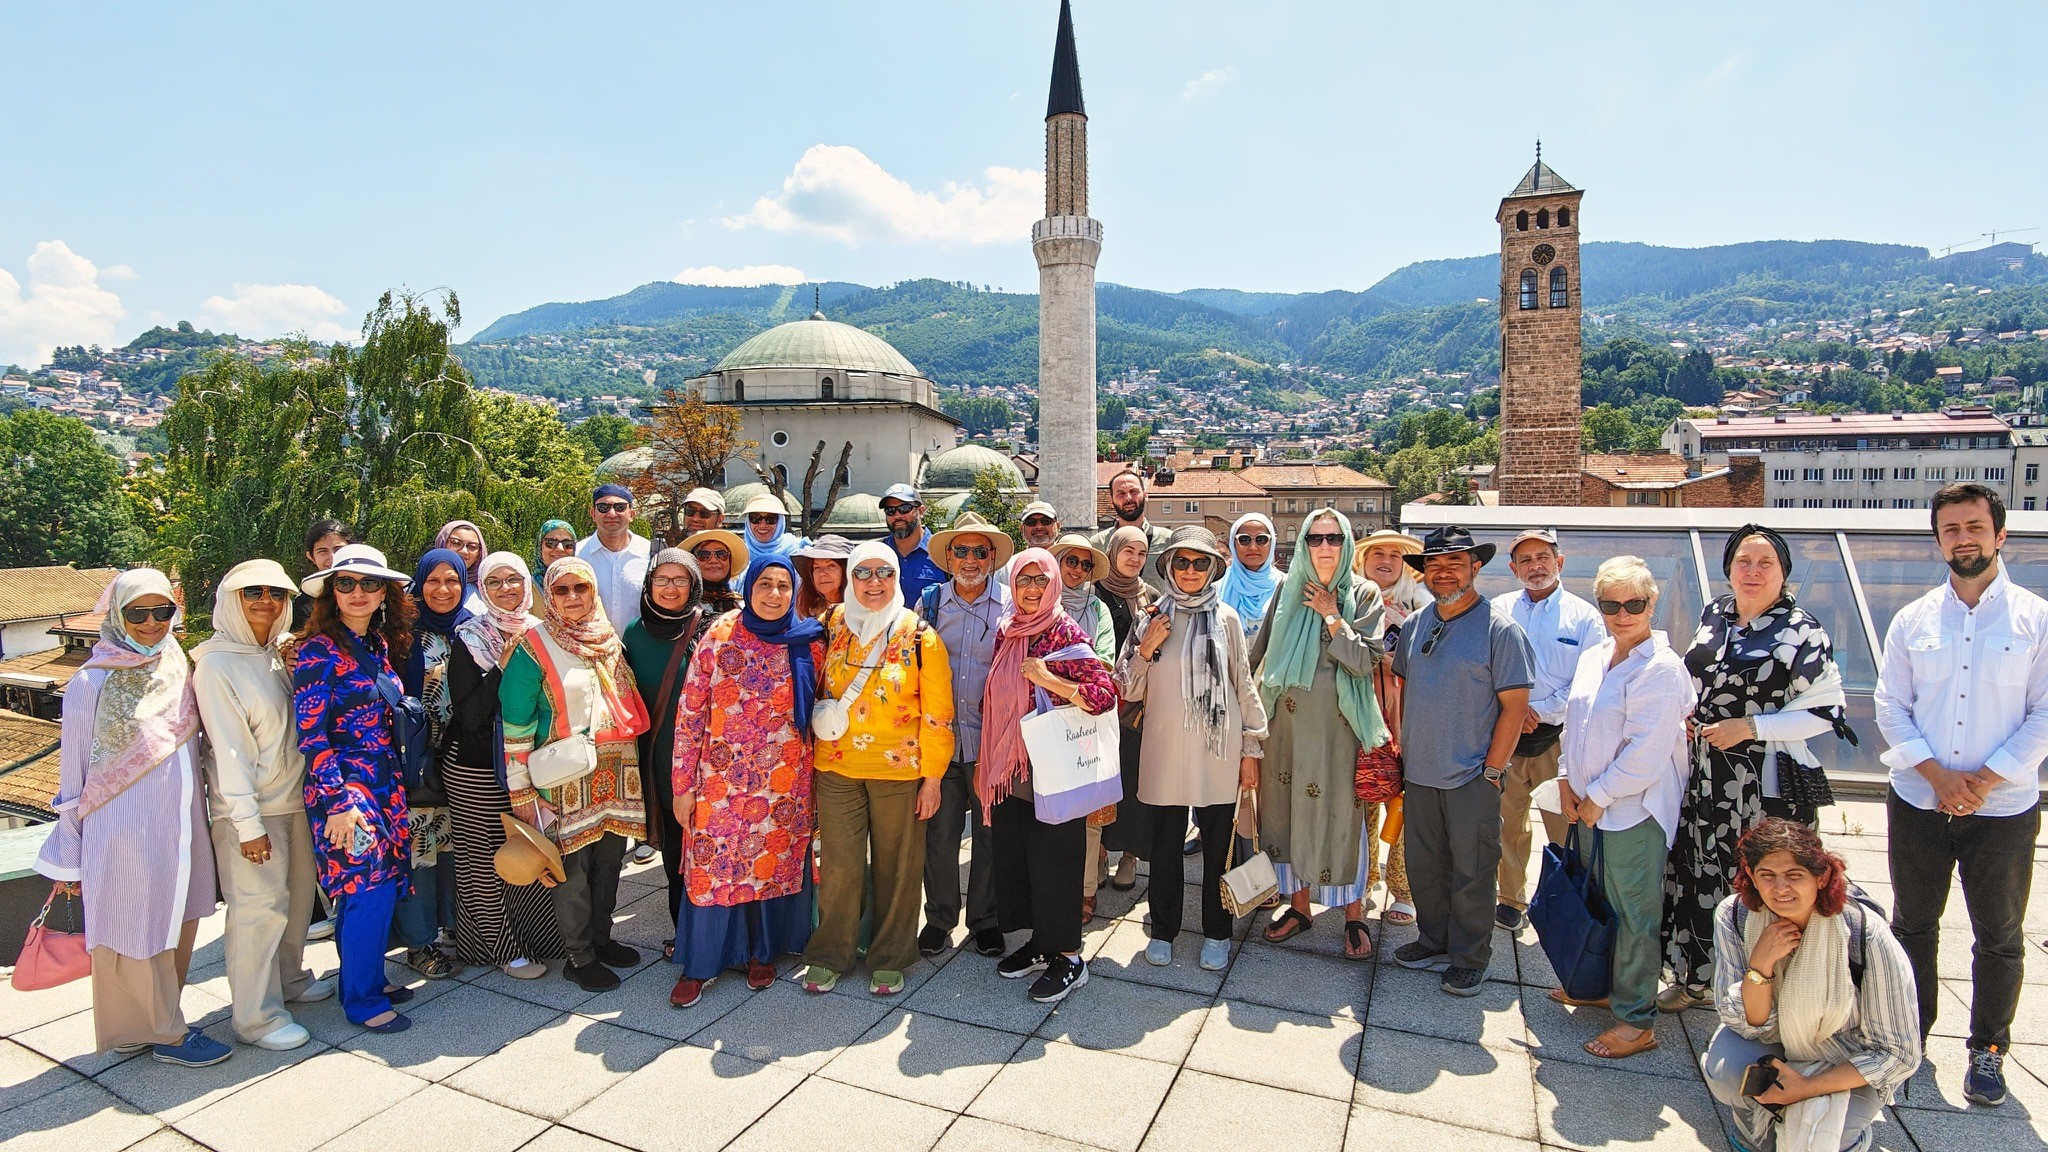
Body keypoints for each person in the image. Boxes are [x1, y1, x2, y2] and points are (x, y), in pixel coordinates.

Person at [1873, 482, 2046, 1107]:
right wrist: (1939, 778)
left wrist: (1984, 780)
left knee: (1998, 932)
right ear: (1938, 540)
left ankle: (1988, 1050)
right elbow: (1890, 706)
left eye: (1974, 526)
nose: (1963, 538)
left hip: (2002, 808)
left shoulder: (2036, 619)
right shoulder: (1913, 618)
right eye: (1951, 529)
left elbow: (2045, 713)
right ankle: (1908, 1041)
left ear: (2000, 535)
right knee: (1913, 925)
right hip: (1920, 801)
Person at [35, 569, 229, 1066]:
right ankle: (165, 1033)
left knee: (176, 919)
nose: (150, 623)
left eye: (161, 611)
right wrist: (71, 850)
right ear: (117, 617)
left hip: (182, 826)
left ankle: (142, 1023)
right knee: (133, 924)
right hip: (122, 831)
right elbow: (73, 773)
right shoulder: (90, 681)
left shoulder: (175, 663)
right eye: (136, 613)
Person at [1663, 525, 1855, 1012]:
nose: (1752, 572)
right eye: (1742, 562)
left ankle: (1766, 986)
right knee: (1699, 869)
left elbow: (1825, 712)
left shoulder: (1802, 630)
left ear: (1783, 572)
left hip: (1765, 781)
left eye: (1764, 563)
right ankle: (1697, 978)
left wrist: (1751, 727)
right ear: (1728, 568)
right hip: (1707, 774)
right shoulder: (1714, 614)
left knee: (1763, 877)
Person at [1551, 556, 1696, 1060]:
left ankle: (1637, 1020)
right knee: (1599, 903)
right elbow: (1575, 724)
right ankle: (1596, 986)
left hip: (1633, 812)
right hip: (1590, 804)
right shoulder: (1596, 655)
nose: (1622, 613)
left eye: (1633, 603)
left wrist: (1598, 798)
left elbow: (1647, 752)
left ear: (1651, 603)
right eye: (1610, 604)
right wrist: (1568, 779)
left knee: (1635, 915)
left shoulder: (1661, 668)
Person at [1702, 819, 1920, 1152]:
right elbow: (1746, 1024)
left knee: (1821, 1140)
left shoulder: (1864, 932)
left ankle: (1852, 1134)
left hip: (1845, 1058)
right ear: (1752, 879)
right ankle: (1755, 1130)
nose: (1781, 889)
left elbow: (1899, 1053)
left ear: (1820, 877)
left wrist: (1804, 1087)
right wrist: (1760, 965)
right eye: (1767, 876)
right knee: (1727, 1067)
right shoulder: (1736, 916)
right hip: (1776, 1043)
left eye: (1794, 876)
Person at [668, 554, 823, 1007]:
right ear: (749, 586)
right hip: (721, 783)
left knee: (769, 866)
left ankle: (762, 952)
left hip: (784, 783)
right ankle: (701, 963)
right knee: (713, 868)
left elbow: (822, 714)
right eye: (765, 585)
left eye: (783, 586)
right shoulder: (718, 637)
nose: (774, 595)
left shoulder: (809, 640)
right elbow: (690, 714)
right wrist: (683, 785)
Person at [800, 541, 954, 996]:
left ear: (896, 579)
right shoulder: (831, 624)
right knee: (840, 868)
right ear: (850, 579)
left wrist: (932, 779)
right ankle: (831, 953)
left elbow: (938, 715)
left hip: (901, 772)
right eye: (863, 573)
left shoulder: (920, 635)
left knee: (899, 868)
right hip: (837, 768)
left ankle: (890, 955)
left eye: (883, 573)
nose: (873, 582)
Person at [1388, 525, 1533, 996]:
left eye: (1455, 563)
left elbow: (1515, 707)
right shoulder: (1416, 624)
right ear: (1424, 573)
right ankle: (1433, 939)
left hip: (1473, 773)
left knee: (1473, 869)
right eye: (1434, 564)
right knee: (1425, 865)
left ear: (1475, 568)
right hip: (1421, 772)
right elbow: (1407, 687)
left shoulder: (1499, 629)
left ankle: (1470, 956)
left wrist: (1492, 770)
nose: (1444, 573)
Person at [1117, 527, 1268, 972]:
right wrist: (1145, 648)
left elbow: (1243, 683)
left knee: (1218, 843)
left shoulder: (1227, 620)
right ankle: (1163, 928)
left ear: (1212, 568)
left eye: (1199, 562)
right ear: (1166, 567)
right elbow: (1125, 686)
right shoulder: (1150, 617)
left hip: (1218, 750)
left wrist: (1251, 750)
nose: (1189, 571)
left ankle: (1217, 930)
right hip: (1165, 748)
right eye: (1180, 562)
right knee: (1165, 847)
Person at [196, 560, 331, 1053]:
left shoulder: (276, 654)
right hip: (250, 812)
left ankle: (290, 981)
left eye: (276, 593)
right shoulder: (215, 664)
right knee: (257, 912)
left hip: (296, 800)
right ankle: (255, 1018)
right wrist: (247, 823)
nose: (265, 601)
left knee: (296, 903)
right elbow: (228, 750)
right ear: (230, 598)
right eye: (252, 592)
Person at [501, 556, 652, 992]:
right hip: (563, 779)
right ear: (549, 595)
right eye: (562, 590)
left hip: (614, 771)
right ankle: (578, 954)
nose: (572, 598)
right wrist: (522, 793)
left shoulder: (608, 639)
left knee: (609, 861)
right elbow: (515, 725)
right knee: (573, 869)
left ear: (593, 592)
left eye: (580, 588)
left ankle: (602, 939)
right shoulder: (534, 645)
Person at [977, 548, 1119, 1003]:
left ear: (1055, 584)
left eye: (1042, 580)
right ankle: (1040, 943)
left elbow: (1103, 695)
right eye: (1024, 581)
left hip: (1054, 769)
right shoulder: (1009, 629)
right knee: (1022, 858)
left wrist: (1049, 679)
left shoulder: (1064, 630)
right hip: (1014, 768)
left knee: (1056, 862)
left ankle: (1070, 956)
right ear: (1012, 585)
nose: (1033, 589)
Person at [1250, 509, 1389, 960]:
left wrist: (1332, 616)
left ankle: (1353, 915)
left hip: (1339, 730)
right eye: (1315, 539)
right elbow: (1261, 655)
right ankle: (1299, 907)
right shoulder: (1287, 591)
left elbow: (1366, 661)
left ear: (1346, 543)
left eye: (1333, 538)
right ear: (1304, 544)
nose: (1324, 547)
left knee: (1342, 818)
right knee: (1286, 815)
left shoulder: (1364, 595)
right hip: (1285, 729)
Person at [294, 544, 420, 1034]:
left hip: (383, 782)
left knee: (376, 885)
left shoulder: (375, 645)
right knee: (367, 886)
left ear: (385, 593)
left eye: (370, 584)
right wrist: (338, 802)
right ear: (331, 592)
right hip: (345, 789)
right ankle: (362, 1000)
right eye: (345, 584)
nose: (358, 593)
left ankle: (365, 976)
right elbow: (311, 735)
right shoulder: (317, 651)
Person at [446, 552, 564, 978]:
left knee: (526, 851)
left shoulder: (542, 631)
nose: (506, 589)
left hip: (526, 763)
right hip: (475, 766)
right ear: (482, 588)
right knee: (483, 861)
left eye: (514, 580)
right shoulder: (470, 638)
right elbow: (470, 716)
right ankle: (498, 947)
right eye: (494, 582)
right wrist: (501, 664)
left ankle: (540, 939)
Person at [1492, 528, 1603, 932]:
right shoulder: (1500, 609)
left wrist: (1536, 709)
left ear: (1559, 562)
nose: (1535, 566)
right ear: (1513, 568)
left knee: (1562, 823)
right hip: (1506, 735)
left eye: (1542, 557)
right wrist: (1513, 711)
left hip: (1559, 738)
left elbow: (1589, 680)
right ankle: (1510, 898)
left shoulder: (1585, 616)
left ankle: (1561, 899)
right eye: (1525, 560)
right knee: (1508, 821)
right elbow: (1487, 666)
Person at [915, 513, 1013, 960]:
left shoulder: (1013, 606)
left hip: (992, 743)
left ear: (992, 558)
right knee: (940, 835)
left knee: (992, 836)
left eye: (979, 551)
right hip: (939, 745)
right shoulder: (929, 604)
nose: (970, 560)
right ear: (948, 557)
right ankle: (938, 918)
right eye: (961, 551)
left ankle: (987, 920)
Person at [621, 550, 710, 951]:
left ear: (694, 585)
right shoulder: (633, 634)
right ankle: (685, 932)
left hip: (710, 757)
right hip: (661, 757)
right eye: (662, 580)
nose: (671, 589)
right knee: (676, 847)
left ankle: (718, 932)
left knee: (712, 845)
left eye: (680, 580)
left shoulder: (711, 627)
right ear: (648, 585)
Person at [391, 549, 468, 979]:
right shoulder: (399, 634)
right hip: (416, 761)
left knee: (457, 850)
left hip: (462, 759)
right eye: (433, 581)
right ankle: (420, 943)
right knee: (421, 850)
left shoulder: (471, 629)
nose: (443, 589)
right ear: (418, 585)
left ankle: (457, 928)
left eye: (452, 581)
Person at [1354, 529, 1426, 926]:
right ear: (1363, 561)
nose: (1385, 560)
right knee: (1362, 799)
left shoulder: (1423, 606)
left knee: (1404, 804)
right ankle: (1363, 881)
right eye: (1377, 553)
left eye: (1395, 555)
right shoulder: (1352, 603)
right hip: (1360, 714)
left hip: (1409, 716)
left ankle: (1404, 888)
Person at [1049, 534, 1119, 920]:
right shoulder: (1037, 603)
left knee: (1089, 815)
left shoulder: (1098, 608)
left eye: (1084, 564)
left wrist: (1061, 678)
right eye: (1069, 561)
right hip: (1043, 721)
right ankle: (1049, 886)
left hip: (1089, 719)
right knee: (1049, 809)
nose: (1076, 569)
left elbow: (1104, 661)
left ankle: (1085, 890)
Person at [1096, 524, 1157, 894]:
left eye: (1141, 553)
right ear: (1113, 552)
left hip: (1137, 706)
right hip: (1103, 703)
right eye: (1127, 551)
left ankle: (1130, 855)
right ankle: (1101, 851)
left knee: (1134, 780)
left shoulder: (1151, 595)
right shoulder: (1096, 593)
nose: (1134, 559)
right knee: (1104, 781)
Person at [578, 483, 652, 631]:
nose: (611, 514)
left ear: (631, 514)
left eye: (620, 507)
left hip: (640, 647)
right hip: (590, 647)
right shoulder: (577, 555)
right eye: (603, 508)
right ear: (593, 513)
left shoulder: (651, 553)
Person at [1089, 469, 1172, 591]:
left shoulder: (1168, 541)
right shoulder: (1096, 544)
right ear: (1111, 502)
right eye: (1120, 494)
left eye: (1134, 492)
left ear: (1145, 495)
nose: (1128, 498)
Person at [1218, 512, 1284, 643]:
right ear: (1233, 543)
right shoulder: (1217, 585)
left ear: (1272, 543)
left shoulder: (1285, 586)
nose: (1253, 547)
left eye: (1261, 540)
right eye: (1244, 539)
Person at [880, 483, 946, 605]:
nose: (897, 515)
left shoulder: (943, 553)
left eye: (904, 509)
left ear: (920, 511)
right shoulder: (877, 554)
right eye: (890, 511)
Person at [291, 517, 356, 633]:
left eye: (338, 549)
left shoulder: (370, 589)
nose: (332, 558)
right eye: (323, 551)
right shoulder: (305, 602)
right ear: (311, 557)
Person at [684, 528, 748, 614]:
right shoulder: (683, 604)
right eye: (704, 555)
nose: (713, 560)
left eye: (721, 554)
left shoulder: (742, 605)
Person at [434, 519, 489, 615]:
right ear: (442, 543)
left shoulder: (487, 589)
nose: (464, 551)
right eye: (456, 543)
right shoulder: (423, 583)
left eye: (472, 546)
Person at [794, 535, 855, 622]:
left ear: (846, 571)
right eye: (817, 567)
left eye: (831, 566)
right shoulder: (810, 613)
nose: (822, 573)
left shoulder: (859, 614)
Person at [740, 492, 805, 564]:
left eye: (771, 518)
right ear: (748, 522)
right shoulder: (737, 553)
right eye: (755, 518)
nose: (763, 525)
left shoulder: (798, 551)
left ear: (780, 522)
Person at [534, 520, 578, 584]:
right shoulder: (527, 588)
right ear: (540, 547)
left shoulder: (583, 585)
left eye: (567, 544)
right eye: (551, 543)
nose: (560, 548)